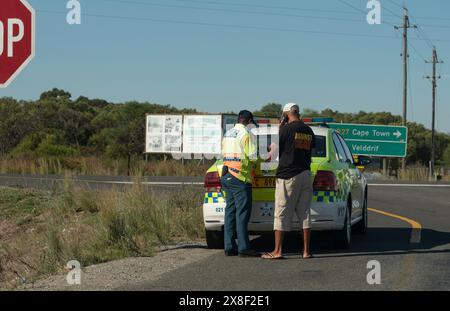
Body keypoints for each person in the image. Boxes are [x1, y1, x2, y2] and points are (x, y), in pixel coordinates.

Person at [262, 103, 315, 260]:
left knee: (281, 213)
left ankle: (277, 251)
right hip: (305, 174)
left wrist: (279, 130)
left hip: (288, 175)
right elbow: (307, 151)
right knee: (305, 214)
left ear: (286, 115)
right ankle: (306, 251)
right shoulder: (308, 130)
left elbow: (273, 152)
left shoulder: (286, 129)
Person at [221, 110, 260, 257]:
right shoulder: (245, 134)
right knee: (242, 213)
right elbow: (253, 157)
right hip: (240, 177)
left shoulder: (227, 133)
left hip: (226, 174)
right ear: (249, 121)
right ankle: (244, 248)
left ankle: (229, 247)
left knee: (230, 212)